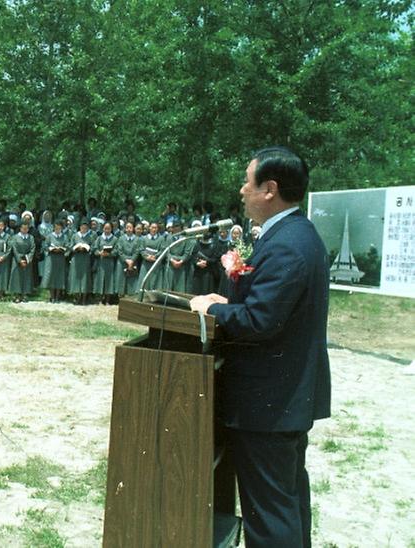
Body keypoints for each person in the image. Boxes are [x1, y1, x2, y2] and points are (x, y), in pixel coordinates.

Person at [190, 146, 330, 548]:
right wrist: (229, 302)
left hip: (268, 404)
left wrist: (213, 311)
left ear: (269, 189)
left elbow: (260, 321)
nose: (241, 190)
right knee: (284, 504)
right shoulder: (292, 234)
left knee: (270, 514)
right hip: (279, 401)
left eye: (248, 182)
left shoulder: (287, 244)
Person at [41, 219, 68, 303]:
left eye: (59, 228)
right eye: (56, 228)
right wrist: (50, 249)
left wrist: (62, 250)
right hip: (51, 258)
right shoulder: (49, 236)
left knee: (59, 277)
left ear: (61, 228)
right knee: (51, 276)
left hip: (60, 258)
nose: (57, 230)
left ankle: (57, 297)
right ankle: (52, 296)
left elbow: (67, 246)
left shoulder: (64, 237)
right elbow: (45, 246)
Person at [8, 220, 35, 303]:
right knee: (17, 277)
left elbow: (32, 248)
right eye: (23, 228)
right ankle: (17, 295)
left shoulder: (31, 237)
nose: (25, 230)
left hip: (27, 260)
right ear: (20, 228)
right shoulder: (15, 237)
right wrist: (20, 260)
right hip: (17, 260)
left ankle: (24, 295)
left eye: (26, 229)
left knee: (26, 277)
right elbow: (14, 249)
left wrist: (28, 259)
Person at [92, 221, 118, 305]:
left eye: (109, 228)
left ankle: (107, 300)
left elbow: (116, 251)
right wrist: (99, 253)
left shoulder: (114, 239)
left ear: (111, 229)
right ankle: (99, 299)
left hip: (109, 263)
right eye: (105, 228)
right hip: (101, 262)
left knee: (109, 280)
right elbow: (94, 249)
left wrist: (110, 254)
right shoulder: (99, 238)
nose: (107, 230)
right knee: (99, 280)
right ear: (103, 228)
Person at [67, 219, 92, 305]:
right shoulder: (75, 236)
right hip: (76, 259)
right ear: (80, 227)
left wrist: (87, 248)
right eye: (82, 227)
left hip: (85, 259)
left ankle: (84, 298)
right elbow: (70, 246)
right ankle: (76, 297)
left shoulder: (90, 236)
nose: (84, 229)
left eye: (86, 227)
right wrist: (76, 248)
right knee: (76, 277)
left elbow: (93, 247)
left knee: (85, 278)